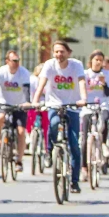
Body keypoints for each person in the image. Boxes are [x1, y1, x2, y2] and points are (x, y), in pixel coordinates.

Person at [32, 41, 87, 193]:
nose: (59, 54)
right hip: (54, 104)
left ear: (69, 53)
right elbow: (42, 84)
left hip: (72, 106)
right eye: (56, 51)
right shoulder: (49, 65)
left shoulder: (76, 65)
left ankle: (74, 182)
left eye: (62, 51)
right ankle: (50, 151)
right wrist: (35, 101)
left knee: (74, 144)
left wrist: (83, 98)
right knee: (54, 123)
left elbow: (81, 82)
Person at [0, 50, 31, 172]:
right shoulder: (0, 72)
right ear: (7, 61)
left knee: (21, 132)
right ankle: (0, 139)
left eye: (18, 60)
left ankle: (19, 160)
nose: (17, 63)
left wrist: (27, 102)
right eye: (14, 60)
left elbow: (26, 89)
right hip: (4, 103)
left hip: (20, 105)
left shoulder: (23, 72)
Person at [80, 50, 109, 182]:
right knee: (84, 138)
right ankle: (84, 168)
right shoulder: (85, 74)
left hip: (102, 105)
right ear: (91, 61)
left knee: (104, 121)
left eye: (101, 60)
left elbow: (108, 93)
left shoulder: (106, 74)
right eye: (96, 59)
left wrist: (104, 84)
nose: (98, 62)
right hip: (87, 106)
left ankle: (103, 143)